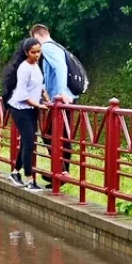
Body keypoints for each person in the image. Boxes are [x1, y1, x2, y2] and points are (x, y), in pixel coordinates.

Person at [30, 24, 77, 187]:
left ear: (36, 37)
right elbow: (50, 73)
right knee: (58, 134)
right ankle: (61, 171)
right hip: (62, 100)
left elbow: (60, 68)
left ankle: (61, 171)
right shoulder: (57, 47)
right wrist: (43, 88)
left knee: (52, 134)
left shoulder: (48, 47)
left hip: (61, 101)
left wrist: (60, 93)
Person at [3, 38, 50, 192]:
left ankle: (15, 172)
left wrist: (45, 96)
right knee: (29, 142)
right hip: (20, 108)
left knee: (26, 141)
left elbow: (38, 85)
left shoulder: (36, 66)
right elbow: (22, 94)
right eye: (33, 52)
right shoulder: (24, 68)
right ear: (26, 53)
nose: (37, 55)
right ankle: (30, 180)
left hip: (31, 108)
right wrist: (39, 105)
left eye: (39, 51)